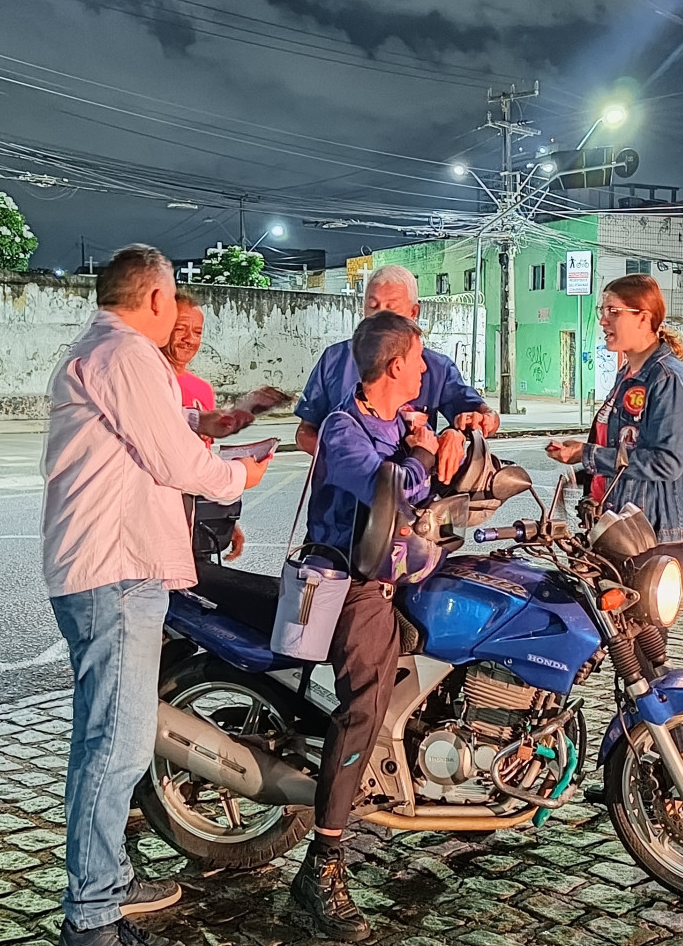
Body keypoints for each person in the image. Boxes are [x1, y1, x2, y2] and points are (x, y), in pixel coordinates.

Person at [42, 245, 273, 946]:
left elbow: (165, 445)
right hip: (114, 573)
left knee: (108, 740)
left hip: (109, 569)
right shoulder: (126, 355)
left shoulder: (106, 354)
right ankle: (91, 919)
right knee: (114, 748)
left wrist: (228, 455)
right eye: (174, 301)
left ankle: (104, 880)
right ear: (152, 298)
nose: (179, 317)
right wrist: (239, 480)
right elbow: (176, 461)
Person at [290, 311, 441, 941]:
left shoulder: (391, 422)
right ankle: (322, 864)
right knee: (363, 707)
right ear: (394, 365)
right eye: (419, 358)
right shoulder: (343, 428)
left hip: (392, 575)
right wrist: (426, 456)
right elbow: (388, 489)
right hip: (349, 587)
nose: (427, 369)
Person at [546, 273, 683, 569]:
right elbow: (621, 450)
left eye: (613, 312)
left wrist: (587, 454)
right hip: (619, 527)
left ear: (644, 319)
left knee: (634, 616)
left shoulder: (666, 379)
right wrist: (583, 472)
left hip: (655, 534)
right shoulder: (627, 376)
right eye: (602, 311)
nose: (603, 320)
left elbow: (666, 462)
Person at [295, 264, 498, 481]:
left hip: (412, 497)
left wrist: (456, 434)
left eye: (390, 309)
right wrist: (351, 461)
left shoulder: (436, 367)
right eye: (372, 307)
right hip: (343, 500)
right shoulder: (335, 360)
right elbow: (305, 432)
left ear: (413, 312)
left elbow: (483, 417)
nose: (378, 319)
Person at [163, 290, 244, 561]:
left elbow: (204, 458)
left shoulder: (202, 390)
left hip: (197, 518)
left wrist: (222, 514)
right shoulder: (150, 383)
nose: (190, 339)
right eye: (181, 329)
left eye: (197, 332)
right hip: (159, 520)